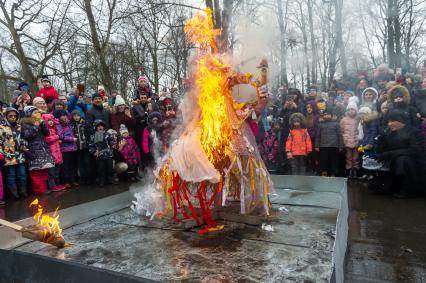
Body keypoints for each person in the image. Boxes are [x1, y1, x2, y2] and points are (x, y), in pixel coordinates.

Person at [377, 110, 426, 198]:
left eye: (392, 121)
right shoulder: (388, 132)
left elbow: (415, 150)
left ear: (401, 121)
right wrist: (380, 141)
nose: (389, 124)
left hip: (413, 163)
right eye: (388, 121)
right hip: (394, 162)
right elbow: (383, 150)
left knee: (402, 160)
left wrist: (391, 153)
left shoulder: (414, 132)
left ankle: (405, 189)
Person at [21, 106, 55, 195]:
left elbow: (47, 133)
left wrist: (42, 123)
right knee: (36, 172)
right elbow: (27, 136)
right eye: (34, 112)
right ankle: (39, 190)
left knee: (44, 170)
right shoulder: (25, 124)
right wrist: (35, 126)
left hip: (43, 150)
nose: (37, 114)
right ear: (29, 114)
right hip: (34, 150)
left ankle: (44, 188)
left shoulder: (40, 122)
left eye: (38, 112)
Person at [0, 108, 28, 198]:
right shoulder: (1, 127)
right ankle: (14, 194)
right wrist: (1, 154)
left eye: (15, 116)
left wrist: (24, 145)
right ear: (5, 116)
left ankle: (23, 191)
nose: (13, 118)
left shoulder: (19, 127)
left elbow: (24, 138)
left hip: (19, 155)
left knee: (22, 175)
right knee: (11, 176)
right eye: (10, 116)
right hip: (8, 156)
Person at [88, 120, 117, 187]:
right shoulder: (93, 136)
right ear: (95, 127)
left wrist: (113, 144)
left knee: (110, 168)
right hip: (100, 156)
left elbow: (111, 141)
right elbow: (91, 146)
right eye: (98, 126)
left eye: (101, 126)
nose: (100, 127)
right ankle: (102, 181)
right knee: (101, 169)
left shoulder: (107, 134)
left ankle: (110, 179)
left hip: (109, 155)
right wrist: (94, 151)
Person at [315, 107, 343, 176]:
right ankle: (324, 172)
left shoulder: (336, 124)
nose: (327, 115)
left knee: (333, 160)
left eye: (328, 114)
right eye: (325, 114)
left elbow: (340, 135)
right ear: (323, 116)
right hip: (323, 146)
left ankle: (333, 172)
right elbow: (318, 136)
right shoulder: (320, 124)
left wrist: (341, 146)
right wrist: (316, 145)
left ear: (331, 115)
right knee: (324, 160)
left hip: (334, 146)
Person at [42, 113, 65, 192]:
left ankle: (58, 184)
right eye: (48, 121)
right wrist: (57, 137)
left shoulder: (54, 129)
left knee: (57, 172)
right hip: (51, 155)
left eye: (51, 120)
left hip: (57, 154)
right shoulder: (46, 131)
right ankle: (52, 186)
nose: (51, 122)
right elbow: (48, 139)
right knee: (51, 173)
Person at [55, 109, 78, 188]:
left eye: (65, 115)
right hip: (65, 149)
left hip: (72, 147)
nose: (64, 117)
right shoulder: (58, 125)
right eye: (62, 115)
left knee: (72, 165)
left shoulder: (68, 123)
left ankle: (73, 180)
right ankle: (66, 181)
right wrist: (72, 139)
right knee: (65, 166)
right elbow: (61, 136)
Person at [71, 110, 91, 185]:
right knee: (80, 163)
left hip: (86, 146)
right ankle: (83, 178)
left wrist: (88, 142)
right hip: (77, 147)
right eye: (74, 116)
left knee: (87, 162)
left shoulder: (84, 123)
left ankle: (89, 178)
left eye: (78, 115)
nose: (76, 117)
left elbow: (88, 133)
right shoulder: (71, 125)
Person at [340, 103, 360, 178]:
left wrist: (358, 137)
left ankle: (355, 170)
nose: (351, 111)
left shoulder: (358, 119)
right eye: (349, 109)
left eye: (353, 109)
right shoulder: (343, 120)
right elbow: (341, 130)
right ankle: (349, 170)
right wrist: (344, 137)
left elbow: (360, 130)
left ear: (355, 110)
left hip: (356, 141)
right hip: (347, 141)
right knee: (348, 157)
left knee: (356, 157)